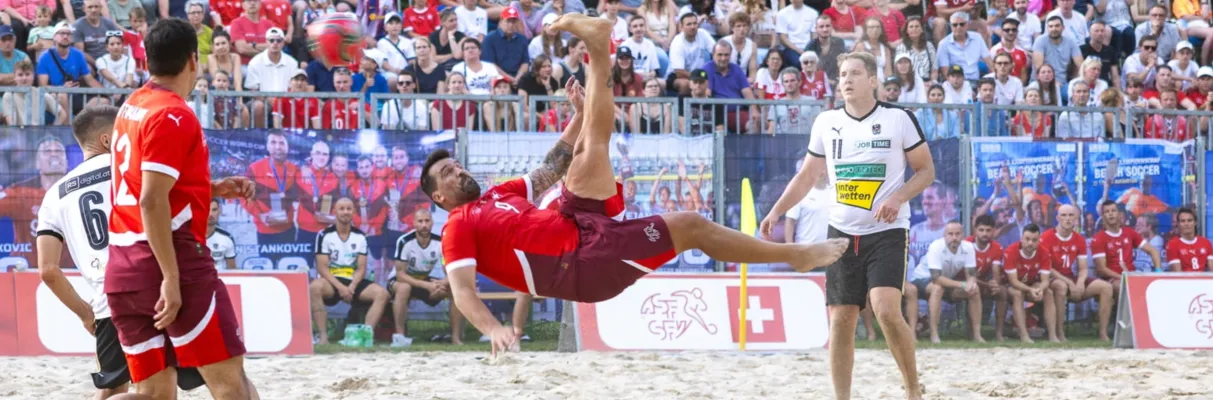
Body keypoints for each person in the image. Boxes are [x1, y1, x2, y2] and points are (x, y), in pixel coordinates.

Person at [421, 14, 849, 355]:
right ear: (440, 197)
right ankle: (793, 255)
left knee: (591, 146)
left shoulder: (498, 193)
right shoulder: (456, 226)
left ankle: (599, 44)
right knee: (691, 225)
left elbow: (551, 166)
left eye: (456, 166)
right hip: (582, 264)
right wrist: (494, 329)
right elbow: (462, 293)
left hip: (575, 222)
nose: (458, 172)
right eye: (448, 175)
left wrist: (579, 115)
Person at [761, 51, 933, 400]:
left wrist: (897, 197)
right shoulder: (826, 121)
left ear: (873, 80)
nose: (847, 80)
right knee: (840, 319)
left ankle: (913, 388)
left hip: (887, 230)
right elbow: (808, 174)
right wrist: (777, 211)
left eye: (855, 73)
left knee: (885, 308)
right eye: (842, 74)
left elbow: (926, 171)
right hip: (841, 231)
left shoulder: (899, 118)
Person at [105, 18, 256, 399]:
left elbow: (147, 188)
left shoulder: (132, 105)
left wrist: (207, 189)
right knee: (230, 386)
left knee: (153, 395)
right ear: (193, 60)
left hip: (123, 266)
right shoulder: (173, 115)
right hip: (173, 261)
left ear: (146, 59)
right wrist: (170, 278)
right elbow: (151, 200)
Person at [36, 106, 208, 399]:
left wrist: (84, 313)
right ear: (107, 140)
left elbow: (48, 271)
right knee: (199, 381)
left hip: (107, 301)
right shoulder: (137, 168)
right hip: (156, 285)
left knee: (117, 387)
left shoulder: (54, 194)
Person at [311, 198, 392, 344]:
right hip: (332, 281)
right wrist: (341, 288)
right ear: (334, 211)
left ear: (354, 212)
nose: (345, 212)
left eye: (348, 209)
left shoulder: (360, 236)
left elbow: (361, 268)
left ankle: (364, 336)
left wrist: (352, 287)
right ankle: (323, 337)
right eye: (341, 209)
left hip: (352, 281)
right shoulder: (324, 235)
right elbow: (322, 268)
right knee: (315, 287)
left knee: (382, 294)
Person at [389, 208, 462, 347]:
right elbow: (400, 275)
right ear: (414, 223)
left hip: (423, 280)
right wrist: (427, 286)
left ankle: (455, 337)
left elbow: (449, 270)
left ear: (432, 222)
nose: (424, 225)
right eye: (420, 221)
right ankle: (400, 337)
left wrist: (443, 283)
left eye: (427, 221)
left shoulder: (440, 242)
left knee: (455, 288)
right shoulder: (404, 241)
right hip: (400, 281)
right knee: (404, 288)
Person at [1042, 204, 1113, 341]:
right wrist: (1070, 283)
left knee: (1106, 287)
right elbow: (1047, 269)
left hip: (1071, 278)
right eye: (1064, 215)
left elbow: (1083, 268)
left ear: (1075, 218)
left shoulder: (1079, 239)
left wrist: (1080, 283)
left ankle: (1103, 334)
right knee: (1060, 286)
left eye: (1071, 215)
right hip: (1052, 279)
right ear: (1057, 218)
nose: (1067, 219)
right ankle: (1060, 333)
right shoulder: (1046, 237)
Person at [919, 221, 983, 344]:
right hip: (922, 279)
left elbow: (970, 274)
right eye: (950, 234)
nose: (954, 237)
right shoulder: (936, 246)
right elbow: (936, 278)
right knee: (937, 288)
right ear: (944, 235)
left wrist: (971, 283)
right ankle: (934, 334)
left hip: (947, 281)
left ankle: (976, 335)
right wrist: (963, 284)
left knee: (975, 290)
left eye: (957, 234)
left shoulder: (968, 247)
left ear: (963, 235)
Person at [1092, 200, 1161, 296]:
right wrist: (1122, 277)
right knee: (1122, 286)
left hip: (1131, 275)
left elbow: (1153, 251)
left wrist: (1158, 271)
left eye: (1113, 211)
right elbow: (1102, 269)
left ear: (1119, 214)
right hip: (1112, 279)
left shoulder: (1129, 232)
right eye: (1107, 212)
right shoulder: (1098, 238)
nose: (1111, 214)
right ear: (1103, 217)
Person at [1002, 223, 1055, 343]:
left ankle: (1052, 336)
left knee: (1049, 293)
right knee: (1017, 294)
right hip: (1011, 286)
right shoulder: (1011, 251)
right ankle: (1024, 335)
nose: (1030, 243)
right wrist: (1031, 290)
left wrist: (1040, 289)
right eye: (1027, 239)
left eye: (1034, 240)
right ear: (1021, 239)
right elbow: (1013, 281)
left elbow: (1045, 280)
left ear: (1039, 240)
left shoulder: (1044, 252)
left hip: (1032, 285)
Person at [968, 214, 1009, 341]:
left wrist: (995, 285)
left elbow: (996, 270)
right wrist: (987, 285)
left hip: (983, 282)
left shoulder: (997, 247)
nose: (984, 234)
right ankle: (975, 333)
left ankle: (999, 333)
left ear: (993, 231)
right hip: (965, 282)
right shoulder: (966, 245)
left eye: (988, 230)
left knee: (1002, 292)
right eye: (981, 230)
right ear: (975, 230)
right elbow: (969, 275)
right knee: (974, 288)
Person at [1166, 207, 1213, 272]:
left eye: (1189, 220)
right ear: (1178, 224)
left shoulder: (1206, 243)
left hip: (1204, 281)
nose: (1186, 224)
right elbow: (1177, 274)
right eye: (1183, 221)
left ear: (1195, 222)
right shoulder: (1172, 244)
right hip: (1183, 281)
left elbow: (1212, 269)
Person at [206, 199, 237, 270]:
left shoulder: (227, 238)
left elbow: (232, 271)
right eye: (207, 209)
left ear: (219, 211)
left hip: (217, 279)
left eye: (214, 210)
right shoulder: (189, 237)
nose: (210, 214)